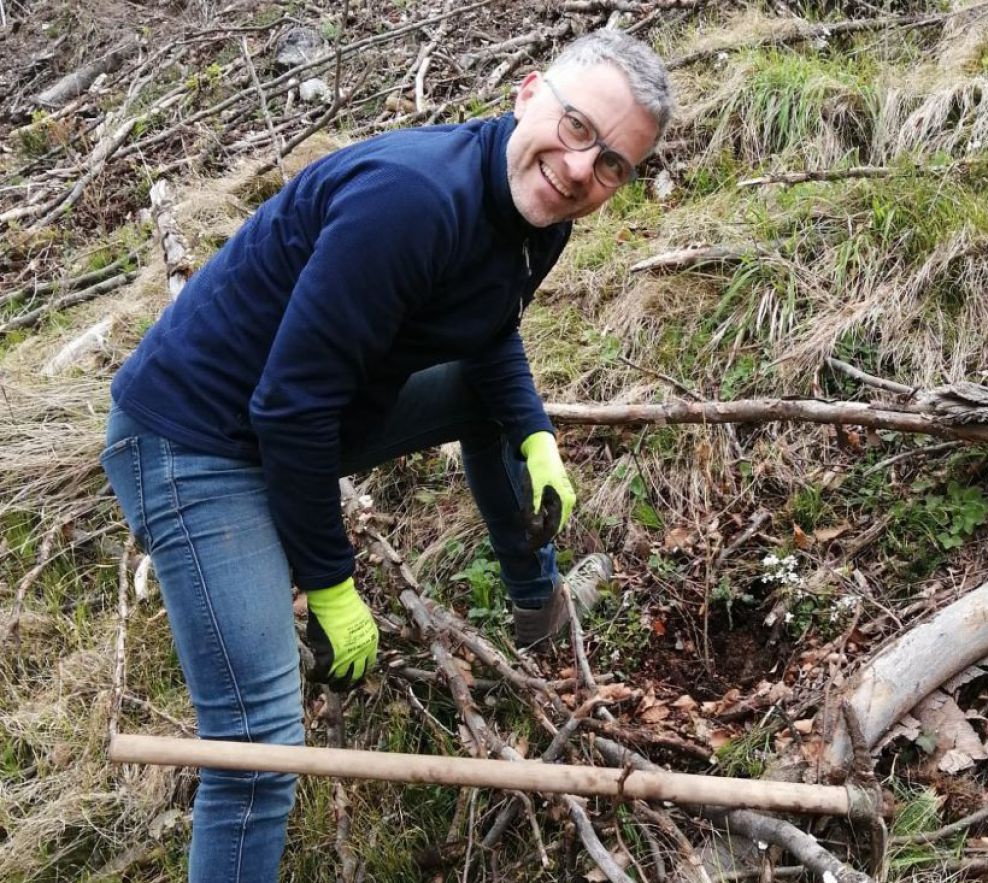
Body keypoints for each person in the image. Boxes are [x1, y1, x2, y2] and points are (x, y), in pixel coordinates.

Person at [99, 27, 673, 883]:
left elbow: (488, 333)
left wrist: (536, 434)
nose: (584, 169)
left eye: (615, 164)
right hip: (195, 442)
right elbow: (287, 409)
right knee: (259, 743)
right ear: (526, 94)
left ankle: (535, 602)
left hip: (306, 414)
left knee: (491, 403)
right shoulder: (409, 202)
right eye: (579, 128)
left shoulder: (536, 211)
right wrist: (332, 585)